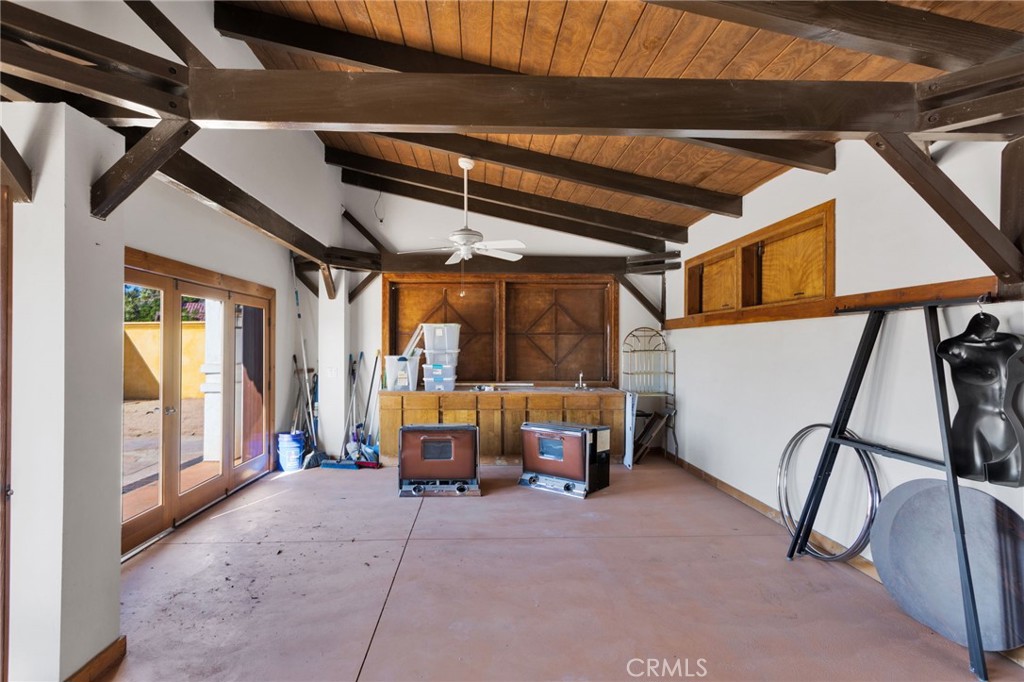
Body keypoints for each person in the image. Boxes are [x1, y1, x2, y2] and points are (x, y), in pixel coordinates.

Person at [937, 312, 1024, 487]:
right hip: (971, 431)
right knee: (969, 484)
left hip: (1009, 428)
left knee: (1013, 484)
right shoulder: (952, 348)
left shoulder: (1013, 344)